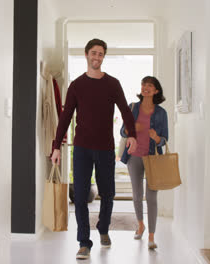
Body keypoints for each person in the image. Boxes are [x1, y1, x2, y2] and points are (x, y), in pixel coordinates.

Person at [50, 38, 137, 260]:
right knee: (79, 196)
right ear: (86, 55)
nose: (96, 57)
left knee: (108, 193)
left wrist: (132, 135)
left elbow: (126, 112)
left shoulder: (113, 84)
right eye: (93, 53)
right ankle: (83, 242)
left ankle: (104, 227)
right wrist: (56, 146)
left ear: (103, 57)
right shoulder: (77, 85)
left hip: (105, 148)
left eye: (100, 54)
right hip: (81, 149)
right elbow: (65, 117)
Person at [119, 76, 168, 249]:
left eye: (149, 86)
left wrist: (156, 137)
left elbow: (164, 140)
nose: (145, 88)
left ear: (156, 91)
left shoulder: (161, 113)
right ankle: (140, 224)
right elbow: (122, 131)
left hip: (152, 158)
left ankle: (152, 236)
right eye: (143, 85)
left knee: (152, 197)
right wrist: (131, 128)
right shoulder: (133, 107)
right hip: (133, 156)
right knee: (137, 195)